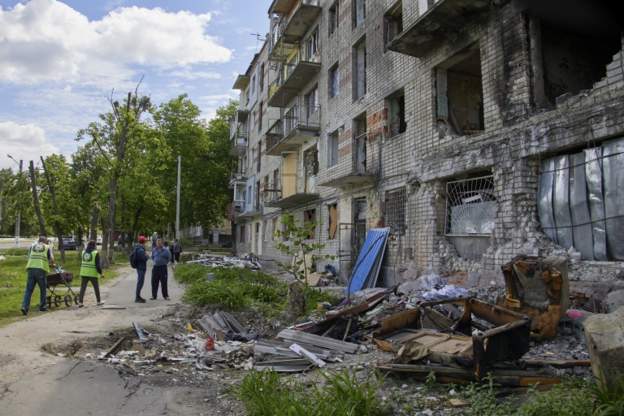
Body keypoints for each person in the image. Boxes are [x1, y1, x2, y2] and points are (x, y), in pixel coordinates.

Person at [21, 236, 55, 315]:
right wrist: (52, 264)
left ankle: (24, 307)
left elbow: (29, 256)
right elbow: (51, 259)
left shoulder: (32, 246)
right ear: (45, 241)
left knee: (29, 290)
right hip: (40, 270)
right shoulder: (47, 247)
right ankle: (42, 306)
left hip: (31, 269)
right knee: (43, 289)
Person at [78, 240, 104, 307]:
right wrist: (101, 273)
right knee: (96, 287)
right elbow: (97, 265)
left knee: (83, 288)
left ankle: (80, 302)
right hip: (92, 273)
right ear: (94, 245)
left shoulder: (83, 252)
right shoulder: (95, 253)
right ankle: (98, 301)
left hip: (84, 272)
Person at [131, 236, 149, 303]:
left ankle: (138, 296)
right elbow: (144, 258)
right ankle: (137, 297)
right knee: (140, 282)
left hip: (139, 267)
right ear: (143, 242)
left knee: (140, 282)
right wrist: (147, 256)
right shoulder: (141, 250)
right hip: (141, 267)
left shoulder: (138, 248)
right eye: (145, 241)